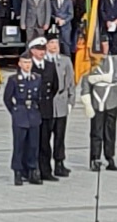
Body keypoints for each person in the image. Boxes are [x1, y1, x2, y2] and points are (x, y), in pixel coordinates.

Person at [81, 36, 117, 171]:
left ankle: (110, 157)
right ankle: (95, 158)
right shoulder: (91, 61)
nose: (104, 47)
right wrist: (87, 102)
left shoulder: (114, 59)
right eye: (102, 45)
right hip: (96, 99)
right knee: (96, 131)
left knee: (110, 131)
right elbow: (86, 82)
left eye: (106, 44)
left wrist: (104, 77)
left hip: (111, 99)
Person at [3, 51, 43, 186]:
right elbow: (7, 98)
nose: (27, 65)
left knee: (33, 145)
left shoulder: (37, 78)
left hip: (33, 114)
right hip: (20, 114)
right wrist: (14, 111)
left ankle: (32, 170)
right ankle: (18, 171)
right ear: (19, 64)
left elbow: (40, 97)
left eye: (29, 63)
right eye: (25, 63)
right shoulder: (14, 79)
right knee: (19, 145)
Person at [28, 36, 60, 181]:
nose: (41, 52)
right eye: (38, 49)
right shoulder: (28, 66)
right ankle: (31, 171)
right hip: (33, 109)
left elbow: (55, 86)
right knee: (33, 143)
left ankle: (46, 171)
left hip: (46, 109)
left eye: (43, 49)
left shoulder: (50, 65)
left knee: (46, 142)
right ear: (32, 51)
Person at [45, 34, 75, 177]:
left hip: (61, 103)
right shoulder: (42, 61)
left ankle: (59, 163)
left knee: (60, 136)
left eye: (56, 42)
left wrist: (71, 101)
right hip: (48, 104)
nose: (54, 45)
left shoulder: (65, 60)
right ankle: (45, 165)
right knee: (45, 137)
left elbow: (70, 83)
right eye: (51, 42)